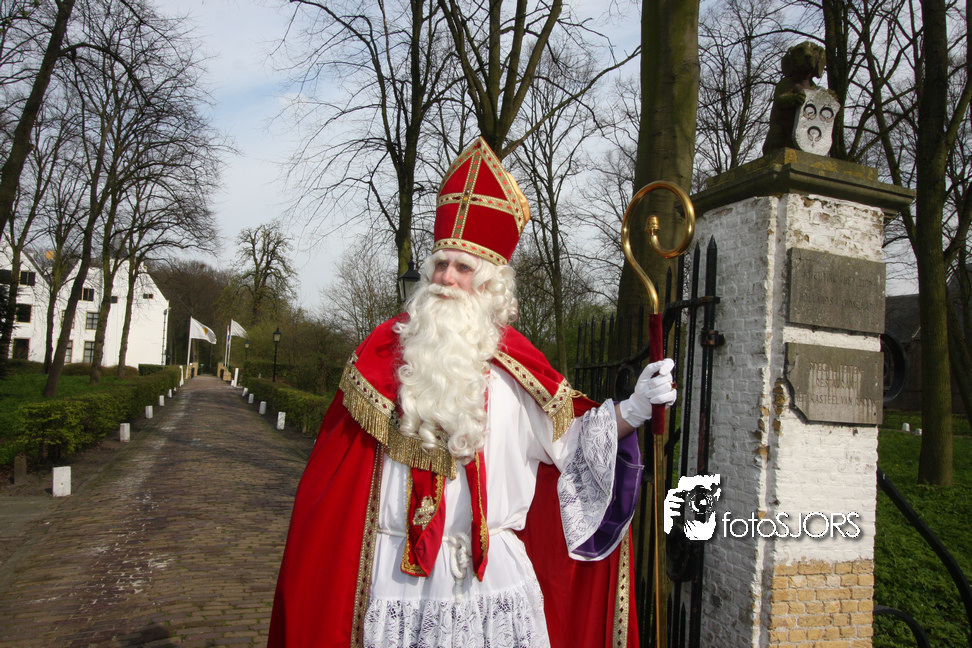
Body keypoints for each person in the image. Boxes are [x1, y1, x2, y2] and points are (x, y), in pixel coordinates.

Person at [267, 138, 676, 648]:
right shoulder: (381, 360)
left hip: (492, 584)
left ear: (490, 285)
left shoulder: (518, 368)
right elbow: (334, 488)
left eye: (463, 268)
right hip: (397, 582)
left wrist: (635, 408)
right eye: (440, 265)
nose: (445, 279)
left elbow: (573, 443)